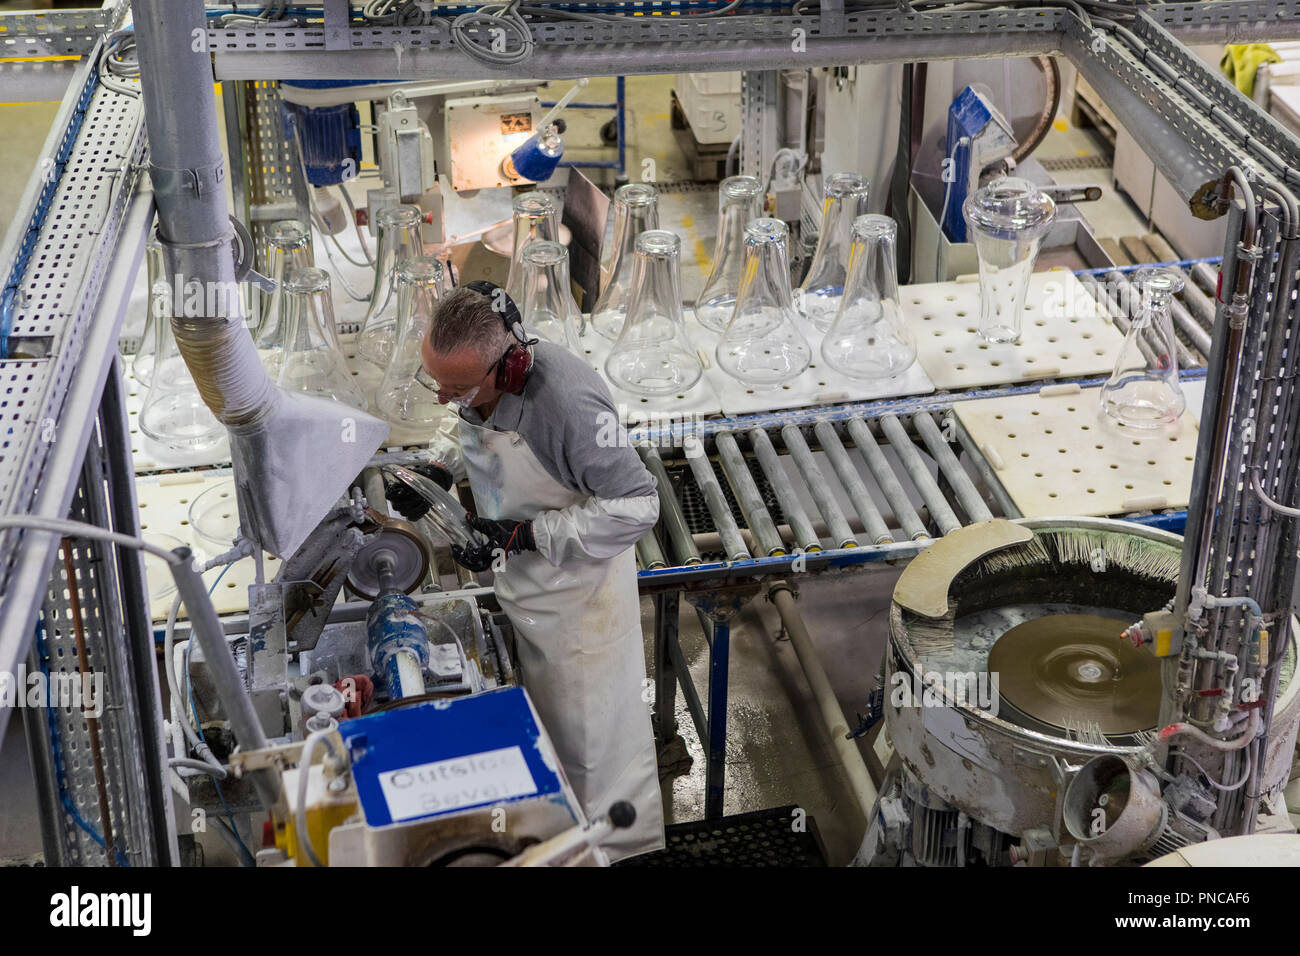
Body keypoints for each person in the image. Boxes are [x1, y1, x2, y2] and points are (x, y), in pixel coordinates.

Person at [386, 280, 665, 862]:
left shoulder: (571, 407)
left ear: (509, 367)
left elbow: (638, 505)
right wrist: (437, 470)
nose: (445, 398)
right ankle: (551, 843)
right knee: (546, 740)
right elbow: (466, 423)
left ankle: (612, 854)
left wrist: (525, 535)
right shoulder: (477, 383)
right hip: (524, 583)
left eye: (457, 387)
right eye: (437, 382)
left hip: (580, 606)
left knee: (592, 750)